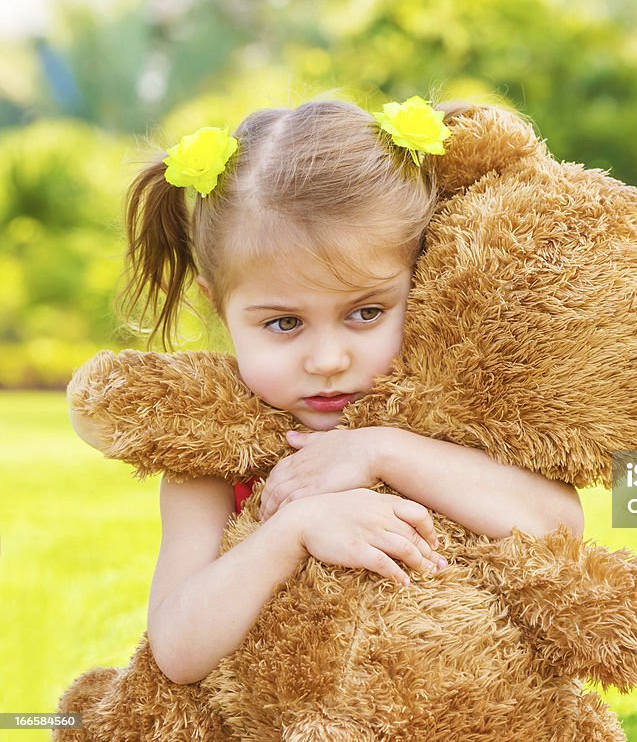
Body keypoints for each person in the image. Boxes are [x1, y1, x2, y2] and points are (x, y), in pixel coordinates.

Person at [70, 97, 584, 686]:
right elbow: (178, 650)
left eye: (366, 312)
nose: (328, 360)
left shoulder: (442, 417)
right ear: (220, 306)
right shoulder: (213, 456)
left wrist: (381, 449)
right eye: (283, 323)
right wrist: (292, 531)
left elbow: (559, 523)